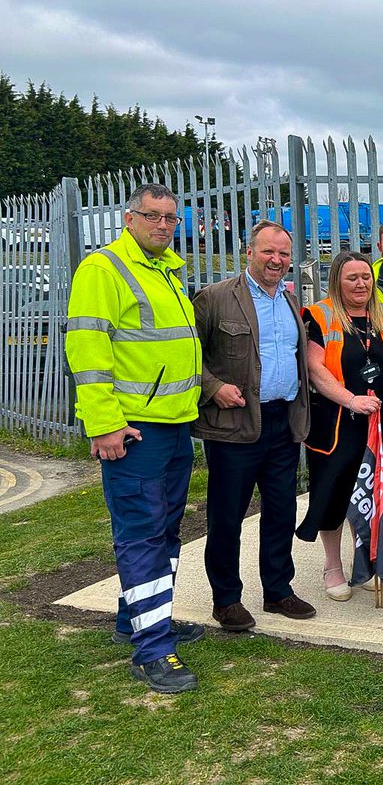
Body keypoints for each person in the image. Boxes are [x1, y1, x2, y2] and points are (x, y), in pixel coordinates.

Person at [65, 182, 205, 694]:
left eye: (171, 217)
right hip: (134, 432)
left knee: (166, 529)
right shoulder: (104, 269)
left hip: (173, 425)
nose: (163, 225)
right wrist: (102, 424)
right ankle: (153, 651)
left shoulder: (169, 271)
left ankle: (143, 619)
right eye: (153, 216)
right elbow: (87, 349)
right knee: (142, 533)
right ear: (129, 219)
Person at [192, 221, 315, 632]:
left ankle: (278, 590)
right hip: (235, 425)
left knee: (281, 511)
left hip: (282, 422)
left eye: (283, 253)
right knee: (227, 516)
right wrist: (213, 388)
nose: (277, 260)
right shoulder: (215, 298)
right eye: (268, 252)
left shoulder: (288, 301)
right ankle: (226, 599)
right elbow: (191, 356)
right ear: (249, 252)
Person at [296, 251, 383, 601]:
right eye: (352, 278)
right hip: (338, 424)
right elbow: (315, 368)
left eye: (365, 276)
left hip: (381, 425)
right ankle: (333, 566)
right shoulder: (320, 315)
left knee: (373, 497)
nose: (361, 283)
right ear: (337, 281)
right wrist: (350, 399)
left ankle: (365, 562)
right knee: (335, 494)